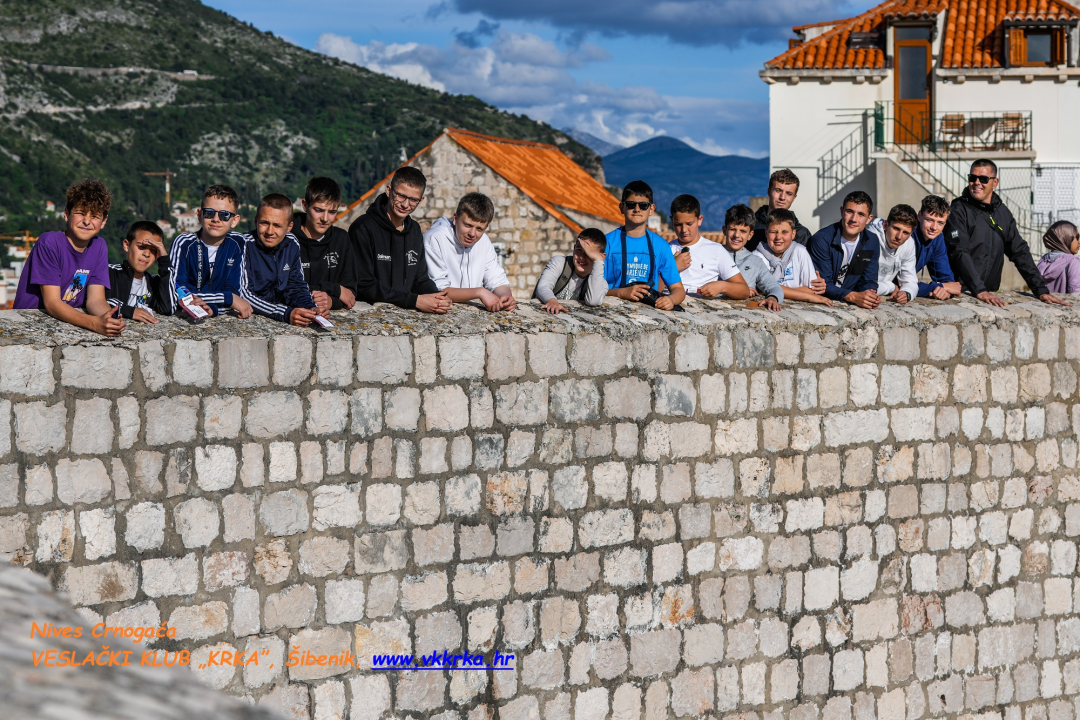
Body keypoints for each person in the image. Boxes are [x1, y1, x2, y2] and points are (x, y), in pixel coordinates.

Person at [945, 158, 1068, 307]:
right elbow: (959, 251)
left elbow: (1019, 251)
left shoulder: (1003, 213)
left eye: (983, 179)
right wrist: (979, 290)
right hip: (964, 294)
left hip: (992, 294)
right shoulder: (958, 210)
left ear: (995, 183)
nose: (977, 182)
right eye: (972, 178)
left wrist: (1041, 290)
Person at [13, 178, 125, 336]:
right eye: (80, 213)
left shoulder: (99, 246)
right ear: (66, 214)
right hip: (32, 324)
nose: (87, 221)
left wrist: (108, 318)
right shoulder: (49, 242)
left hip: (67, 323)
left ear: (104, 221)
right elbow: (52, 303)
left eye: (95, 216)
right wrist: (94, 323)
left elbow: (95, 300)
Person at [349, 167, 450, 313]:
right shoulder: (362, 228)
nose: (405, 204)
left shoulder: (415, 230)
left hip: (406, 319)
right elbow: (364, 285)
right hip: (372, 317)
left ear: (421, 200)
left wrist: (436, 296)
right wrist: (414, 301)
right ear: (389, 190)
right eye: (401, 196)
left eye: (413, 200)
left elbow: (420, 280)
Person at [169, 184, 252, 318]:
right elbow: (174, 289)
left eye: (224, 215)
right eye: (209, 213)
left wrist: (213, 308)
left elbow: (235, 291)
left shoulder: (237, 244)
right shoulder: (184, 243)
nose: (216, 219)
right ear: (199, 215)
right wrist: (228, 298)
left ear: (235, 221)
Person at [424, 192, 516, 312]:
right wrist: (479, 292)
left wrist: (506, 296)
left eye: (479, 229)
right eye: (467, 225)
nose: (472, 234)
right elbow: (439, 290)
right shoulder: (434, 238)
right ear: (456, 219)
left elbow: (496, 279)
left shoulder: (484, 241)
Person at [603, 180, 686, 311]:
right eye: (631, 205)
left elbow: (678, 289)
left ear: (651, 209)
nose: (637, 209)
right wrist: (621, 293)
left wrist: (671, 299)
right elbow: (591, 288)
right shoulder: (606, 243)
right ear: (622, 208)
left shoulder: (661, 246)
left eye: (643, 205)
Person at [243, 194, 322, 327]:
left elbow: (296, 285)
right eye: (264, 223)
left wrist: (311, 308)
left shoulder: (292, 243)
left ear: (289, 226)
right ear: (256, 220)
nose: (270, 231)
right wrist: (284, 313)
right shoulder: (242, 245)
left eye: (277, 225)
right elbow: (244, 295)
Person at [292, 176, 357, 312]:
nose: (325, 219)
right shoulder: (287, 237)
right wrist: (335, 290)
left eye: (332, 212)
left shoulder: (341, 239)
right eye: (319, 210)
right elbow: (282, 286)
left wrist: (331, 302)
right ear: (305, 205)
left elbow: (350, 294)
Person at [668, 194, 751, 299]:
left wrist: (722, 286)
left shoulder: (716, 250)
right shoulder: (663, 250)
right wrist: (672, 268)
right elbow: (653, 288)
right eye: (678, 224)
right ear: (672, 221)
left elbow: (744, 290)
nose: (684, 229)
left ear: (700, 220)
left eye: (689, 224)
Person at [809, 191, 881, 308]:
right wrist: (853, 296)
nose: (854, 219)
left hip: (848, 303)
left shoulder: (871, 241)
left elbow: (869, 280)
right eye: (849, 212)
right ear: (842, 211)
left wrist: (869, 296)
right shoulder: (821, 239)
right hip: (822, 303)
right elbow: (824, 284)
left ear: (869, 219)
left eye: (861, 215)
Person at [755, 209, 832, 306]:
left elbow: (813, 290)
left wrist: (775, 291)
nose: (778, 237)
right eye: (774, 232)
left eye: (784, 232)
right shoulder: (757, 257)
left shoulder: (800, 252)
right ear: (766, 233)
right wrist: (805, 294)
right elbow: (762, 288)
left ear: (793, 234)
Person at [106, 221, 174, 323]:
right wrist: (130, 311)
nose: (147, 254)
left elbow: (168, 308)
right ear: (126, 245)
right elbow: (98, 301)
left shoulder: (153, 283)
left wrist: (164, 262)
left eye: (154, 250)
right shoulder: (110, 273)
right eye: (141, 247)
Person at [719, 204, 784, 311]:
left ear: (750, 235)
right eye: (732, 229)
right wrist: (740, 290)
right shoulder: (712, 254)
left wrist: (773, 298)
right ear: (724, 230)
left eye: (743, 231)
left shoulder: (755, 261)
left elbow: (774, 287)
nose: (737, 235)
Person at [534, 228, 609, 314]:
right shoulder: (559, 263)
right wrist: (551, 301)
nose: (582, 257)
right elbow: (543, 286)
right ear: (574, 249)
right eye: (579, 250)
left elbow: (593, 301)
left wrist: (598, 261)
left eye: (589, 254)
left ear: (601, 257)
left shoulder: (602, 284)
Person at [748, 169, 812, 252]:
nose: (782, 197)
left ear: (794, 197)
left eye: (789, 193)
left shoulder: (802, 234)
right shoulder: (749, 226)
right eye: (778, 190)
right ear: (769, 191)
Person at [867, 204, 919, 305]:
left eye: (905, 232)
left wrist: (906, 293)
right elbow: (862, 287)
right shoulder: (870, 238)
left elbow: (910, 280)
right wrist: (891, 287)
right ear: (886, 225)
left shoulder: (909, 244)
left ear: (911, 234)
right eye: (896, 229)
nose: (899, 237)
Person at [912, 195, 962, 300]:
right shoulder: (906, 236)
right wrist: (940, 287)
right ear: (920, 216)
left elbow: (949, 281)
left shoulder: (937, 239)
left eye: (940, 223)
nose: (934, 228)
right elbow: (899, 284)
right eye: (930, 220)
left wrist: (945, 291)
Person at [1036, 221, 1080, 294]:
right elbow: (1076, 294)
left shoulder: (1044, 260)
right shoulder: (1073, 262)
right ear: (1065, 237)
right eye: (1077, 237)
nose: (1079, 241)